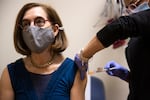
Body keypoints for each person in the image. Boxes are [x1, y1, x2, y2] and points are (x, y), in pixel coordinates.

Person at [0, 2, 87, 100]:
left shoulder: (74, 71)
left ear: (54, 30)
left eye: (39, 21)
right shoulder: (10, 73)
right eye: (26, 24)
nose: (31, 28)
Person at [74, 0, 150, 100]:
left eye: (134, 5)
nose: (132, 11)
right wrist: (128, 76)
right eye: (128, 8)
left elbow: (119, 27)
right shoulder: (138, 37)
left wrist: (83, 56)